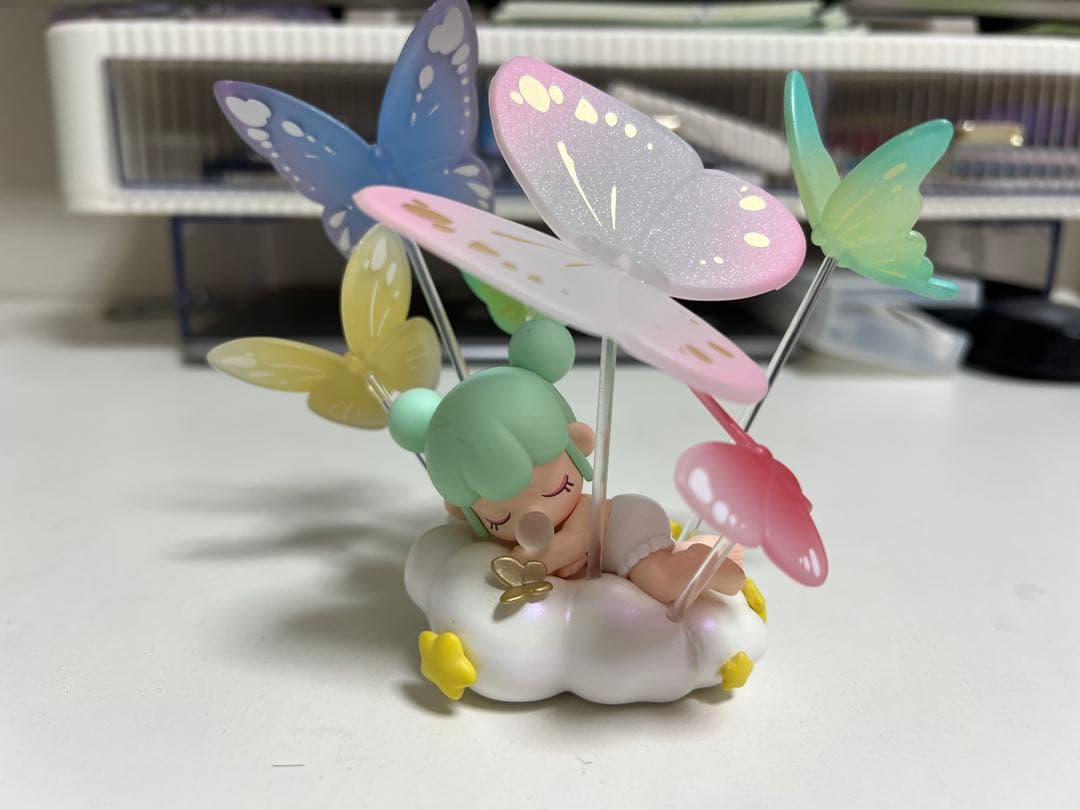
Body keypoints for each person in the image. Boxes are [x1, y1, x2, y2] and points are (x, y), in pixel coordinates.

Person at [388, 319, 745, 604]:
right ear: (462, 512)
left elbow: (570, 544)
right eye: (499, 518)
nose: (533, 515)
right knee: (659, 563)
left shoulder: (584, 513)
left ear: (579, 443)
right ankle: (696, 549)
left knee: (658, 579)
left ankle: (712, 570)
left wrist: (529, 562)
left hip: (627, 526)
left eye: (556, 487)